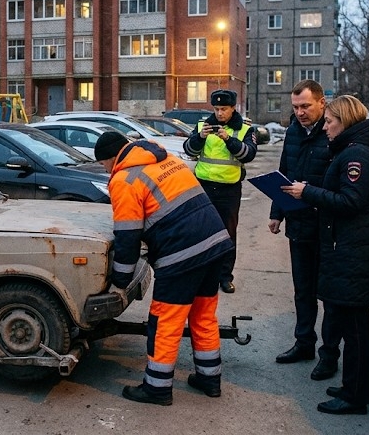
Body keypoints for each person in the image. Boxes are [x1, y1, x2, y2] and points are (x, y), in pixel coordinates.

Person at [94, 131, 235, 406]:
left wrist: (121, 279)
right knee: (203, 316)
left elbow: (128, 235)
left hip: (182, 256)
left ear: (111, 158)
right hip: (215, 244)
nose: (105, 169)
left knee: (164, 323)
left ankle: (157, 388)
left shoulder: (125, 179)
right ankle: (210, 380)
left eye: (103, 164)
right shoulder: (165, 158)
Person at [280, 95, 369, 415]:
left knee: (356, 330)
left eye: (329, 121)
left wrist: (307, 193)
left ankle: (355, 396)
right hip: (349, 249)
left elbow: (350, 201)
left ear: (345, 121)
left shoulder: (356, 155)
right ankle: (354, 387)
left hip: (353, 252)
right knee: (355, 325)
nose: (325, 127)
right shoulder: (351, 150)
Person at [269, 80, 341, 381]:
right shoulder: (293, 132)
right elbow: (285, 171)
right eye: (295, 107)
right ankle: (304, 344)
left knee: (329, 293)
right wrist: (277, 212)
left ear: (322, 103)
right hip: (299, 224)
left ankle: (329, 355)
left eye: (305, 106)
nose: (299, 113)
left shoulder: (333, 133)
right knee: (303, 290)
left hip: (327, 226)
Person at [184, 89, 258, 293]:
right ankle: (202, 274)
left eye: (224, 109)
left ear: (233, 108)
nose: (219, 113)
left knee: (227, 234)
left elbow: (248, 155)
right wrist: (199, 137)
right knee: (201, 232)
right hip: (204, 187)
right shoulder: (202, 126)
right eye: (216, 109)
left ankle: (225, 277)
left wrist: (228, 139)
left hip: (229, 190)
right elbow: (189, 150)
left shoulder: (244, 129)